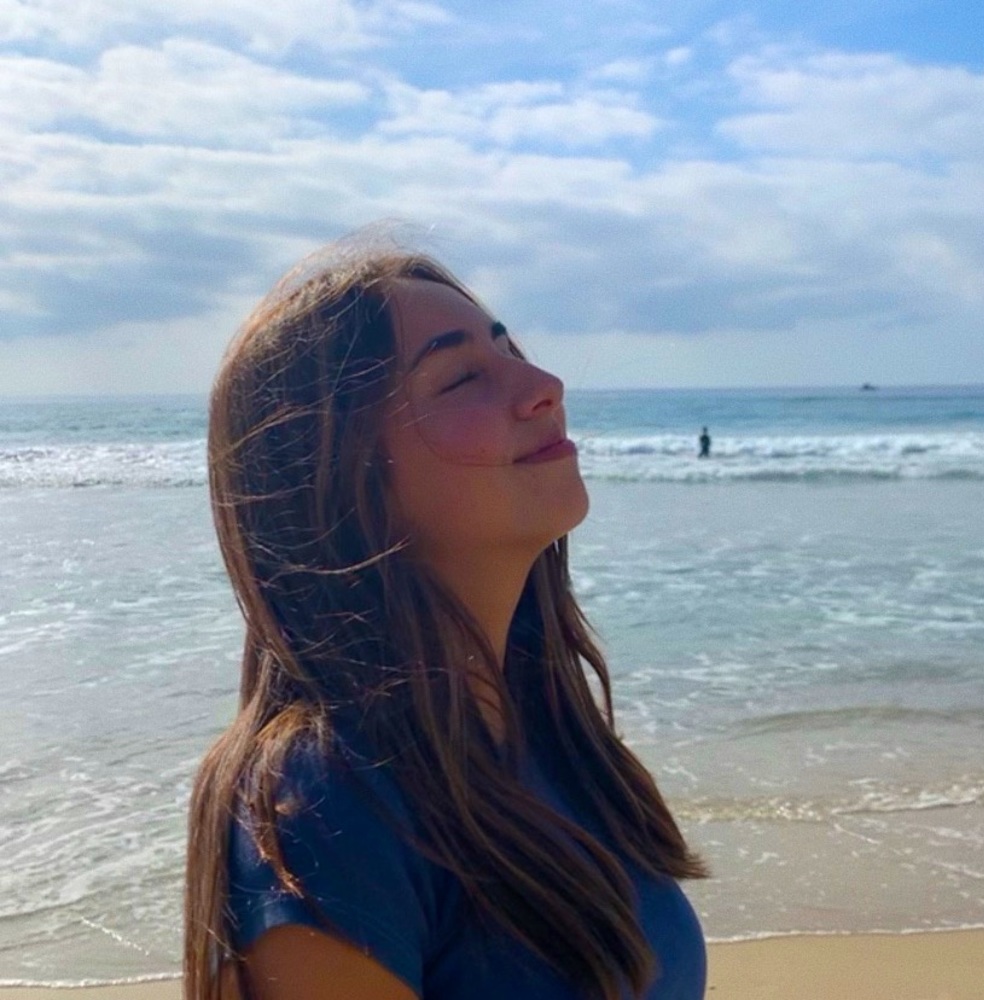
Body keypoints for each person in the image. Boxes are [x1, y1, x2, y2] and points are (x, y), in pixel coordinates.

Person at [184, 234, 708, 1000]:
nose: (545, 385)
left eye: (510, 350)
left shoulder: (550, 734)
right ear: (344, 476)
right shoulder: (326, 800)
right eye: (462, 376)